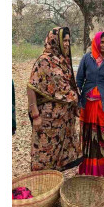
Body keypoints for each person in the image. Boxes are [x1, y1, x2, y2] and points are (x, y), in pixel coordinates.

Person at [27, 26, 82, 171]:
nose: (66, 44)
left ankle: (54, 182)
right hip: (48, 118)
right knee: (44, 152)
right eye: (63, 40)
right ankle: (42, 185)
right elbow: (31, 87)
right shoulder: (43, 61)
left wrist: (75, 106)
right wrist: (35, 115)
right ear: (53, 40)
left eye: (68, 41)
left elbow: (70, 86)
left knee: (59, 153)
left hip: (64, 119)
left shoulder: (63, 61)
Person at [76, 31, 104, 176]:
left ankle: (100, 169)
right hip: (87, 105)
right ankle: (87, 168)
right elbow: (79, 80)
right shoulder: (86, 59)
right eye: (102, 42)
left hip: (103, 105)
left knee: (102, 136)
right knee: (88, 135)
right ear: (96, 42)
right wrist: (77, 102)